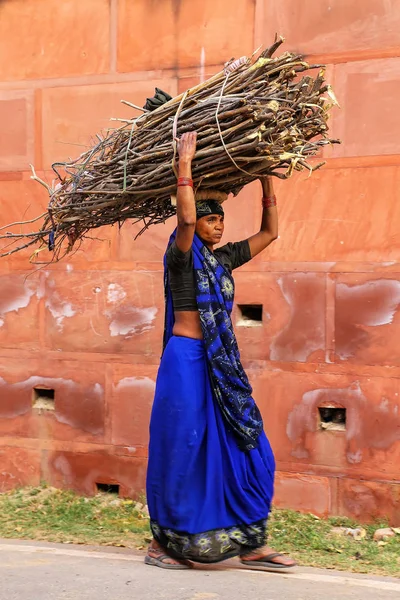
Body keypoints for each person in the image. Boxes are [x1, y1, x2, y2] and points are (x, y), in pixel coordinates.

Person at [145, 131, 296, 572]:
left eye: (222, 220)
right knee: (184, 447)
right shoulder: (181, 255)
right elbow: (186, 223)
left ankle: (250, 541)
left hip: (221, 369)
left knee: (248, 442)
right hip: (186, 362)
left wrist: (268, 182)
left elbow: (271, 232)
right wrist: (185, 166)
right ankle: (164, 544)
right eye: (213, 219)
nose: (219, 225)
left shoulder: (222, 259)